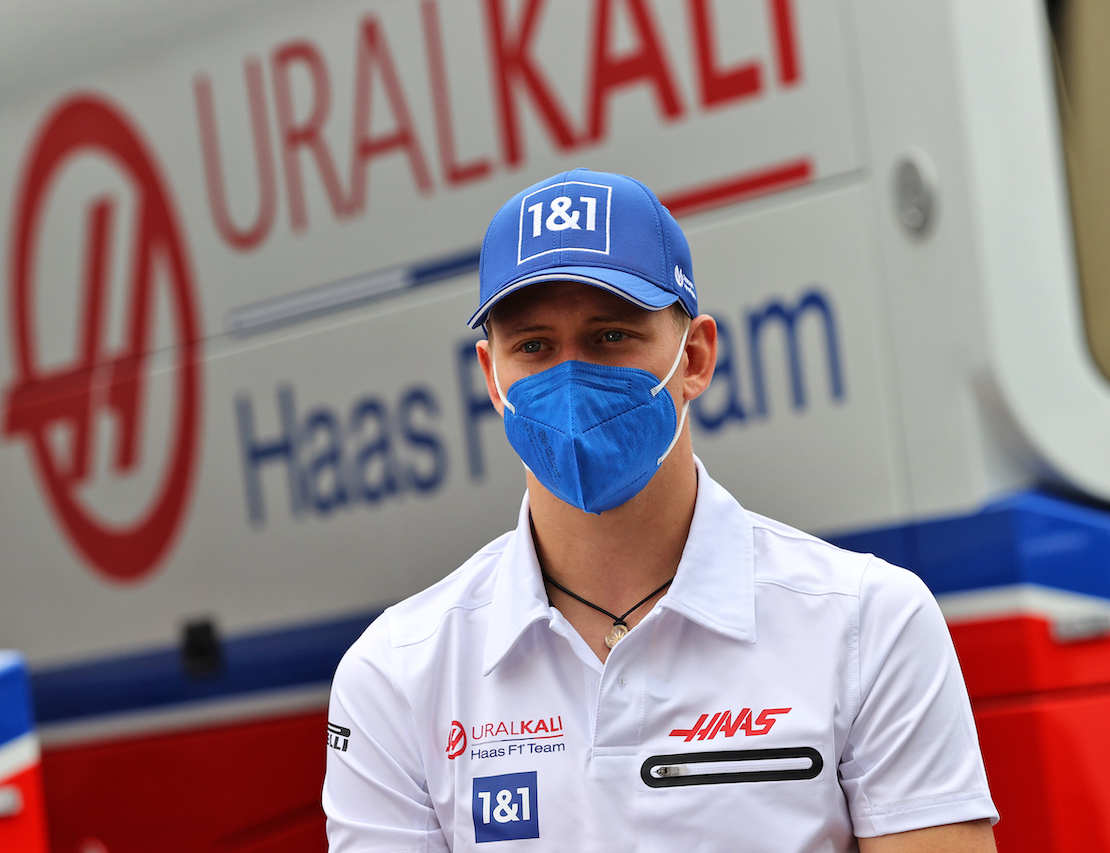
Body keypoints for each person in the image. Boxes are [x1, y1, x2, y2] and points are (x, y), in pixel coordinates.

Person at [323, 169, 998, 851]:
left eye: (611, 335)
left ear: (696, 356)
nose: (572, 375)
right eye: (534, 346)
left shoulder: (868, 624)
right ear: (491, 380)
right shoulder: (395, 673)